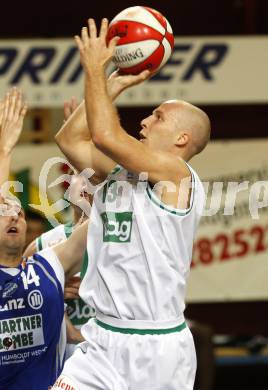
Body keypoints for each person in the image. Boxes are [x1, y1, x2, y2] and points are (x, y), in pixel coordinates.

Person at [53, 19, 211, 390]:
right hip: (102, 339)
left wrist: (95, 67)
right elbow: (69, 139)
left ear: (182, 138)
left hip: (155, 348)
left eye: (158, 117)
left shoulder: (177, 175)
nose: (145, 119)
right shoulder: (125, 173)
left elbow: (104, 135)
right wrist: (113, 83)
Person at [0, 88, 88, 389]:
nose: (14, 216)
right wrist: (4, 151)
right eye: (4, 212)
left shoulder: (46, 266)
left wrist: (89, 153)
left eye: (20, 215)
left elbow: (96, 221)